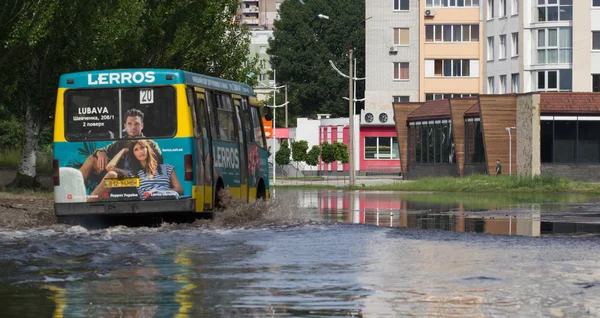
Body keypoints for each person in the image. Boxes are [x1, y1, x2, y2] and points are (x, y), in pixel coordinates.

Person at [79, 108, 162, 183]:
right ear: (125, 126)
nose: (133, 127)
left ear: (142, 126)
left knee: (112, 175)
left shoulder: (152, 144)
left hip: (138, 179)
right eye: (129, 124)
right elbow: (104, 149)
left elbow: (159, 166)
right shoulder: (120, 142)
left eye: (136, 124)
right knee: (91, 159)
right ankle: (73, 191)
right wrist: (101, 152)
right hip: (118, 175)